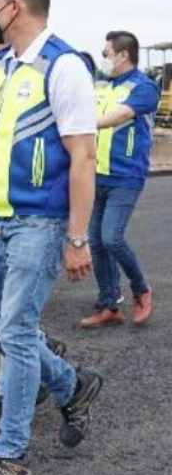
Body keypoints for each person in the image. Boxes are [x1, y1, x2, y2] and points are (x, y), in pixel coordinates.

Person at [0, 0, 105, 475]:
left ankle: (10, 455)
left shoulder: (64, 66)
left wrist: (76, 237)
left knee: (17, 331)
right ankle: (72, 384)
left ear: (13, 8)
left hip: (39, 224)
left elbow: (83, 157)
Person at [79, 30, 158, 328]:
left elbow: (120, 116)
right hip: (97, 173)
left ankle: (141, 288)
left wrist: (82, 123)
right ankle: (109, 304)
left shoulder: (144, 87)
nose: (104, 58)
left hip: (126, 175)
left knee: (112, 237)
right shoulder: (101, 86)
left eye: (106, 53)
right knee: (97, 242)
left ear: (123, 55)